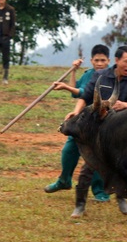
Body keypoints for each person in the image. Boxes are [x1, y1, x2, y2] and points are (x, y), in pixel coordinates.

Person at [66, 45, 127, 218]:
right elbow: (85, 96)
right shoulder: (100, 76)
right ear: (117, 61)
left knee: (121, 166)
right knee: (89, 166)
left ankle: (121, 196)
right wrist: (76, 111)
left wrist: (125, 105)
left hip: (123, 131)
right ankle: (79, 205)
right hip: (99, 131)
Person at [44, 44, 111, 203]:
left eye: (103, 60)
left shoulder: (110, 78)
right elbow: (78, 91)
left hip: (101, 123)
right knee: (69, 150)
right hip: (82, 121)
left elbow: (81, 93)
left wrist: (66, 88)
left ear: (108, 61)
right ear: (92, 60)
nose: (100, 63)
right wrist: (73, 71)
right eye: (97, 60)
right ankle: (64, 180)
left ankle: (100, 191)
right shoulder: (88, 74)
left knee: (96, 157)